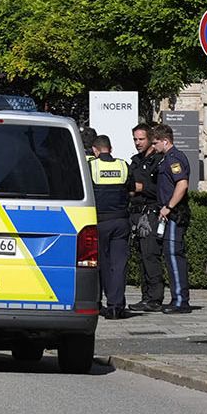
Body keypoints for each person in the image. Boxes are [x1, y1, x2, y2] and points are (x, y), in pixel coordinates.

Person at [151, 123, 195, 314]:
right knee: (170, 256)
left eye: (155, 142)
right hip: (169, 213)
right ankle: (177, 298)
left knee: (174, 256)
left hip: (175, 214)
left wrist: (169, 207)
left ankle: (180, 301)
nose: (154, 146)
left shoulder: (174, 158)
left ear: (165, 141)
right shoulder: (166, 158)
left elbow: (182, 184)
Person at [88, 135, 133, 319]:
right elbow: (131, 189)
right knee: (119, 265)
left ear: (95, 150)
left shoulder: (91, 166)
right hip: (121, 221)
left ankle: (99, 303)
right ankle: (116, 306)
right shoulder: (123, 165)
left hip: (99, 222)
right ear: (110, 148)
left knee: (100, 265)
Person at [128, 123, 166, 312]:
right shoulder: (135, 160)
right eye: (135, 139)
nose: (137, 143)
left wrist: (143, 188)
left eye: (141, 139)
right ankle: (146, 297)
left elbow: (163, 190)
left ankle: (155, 298)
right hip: (136, 212)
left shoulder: (159, 161)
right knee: (142, 257)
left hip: (151, 212)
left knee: (151, 255)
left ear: (150, 139)